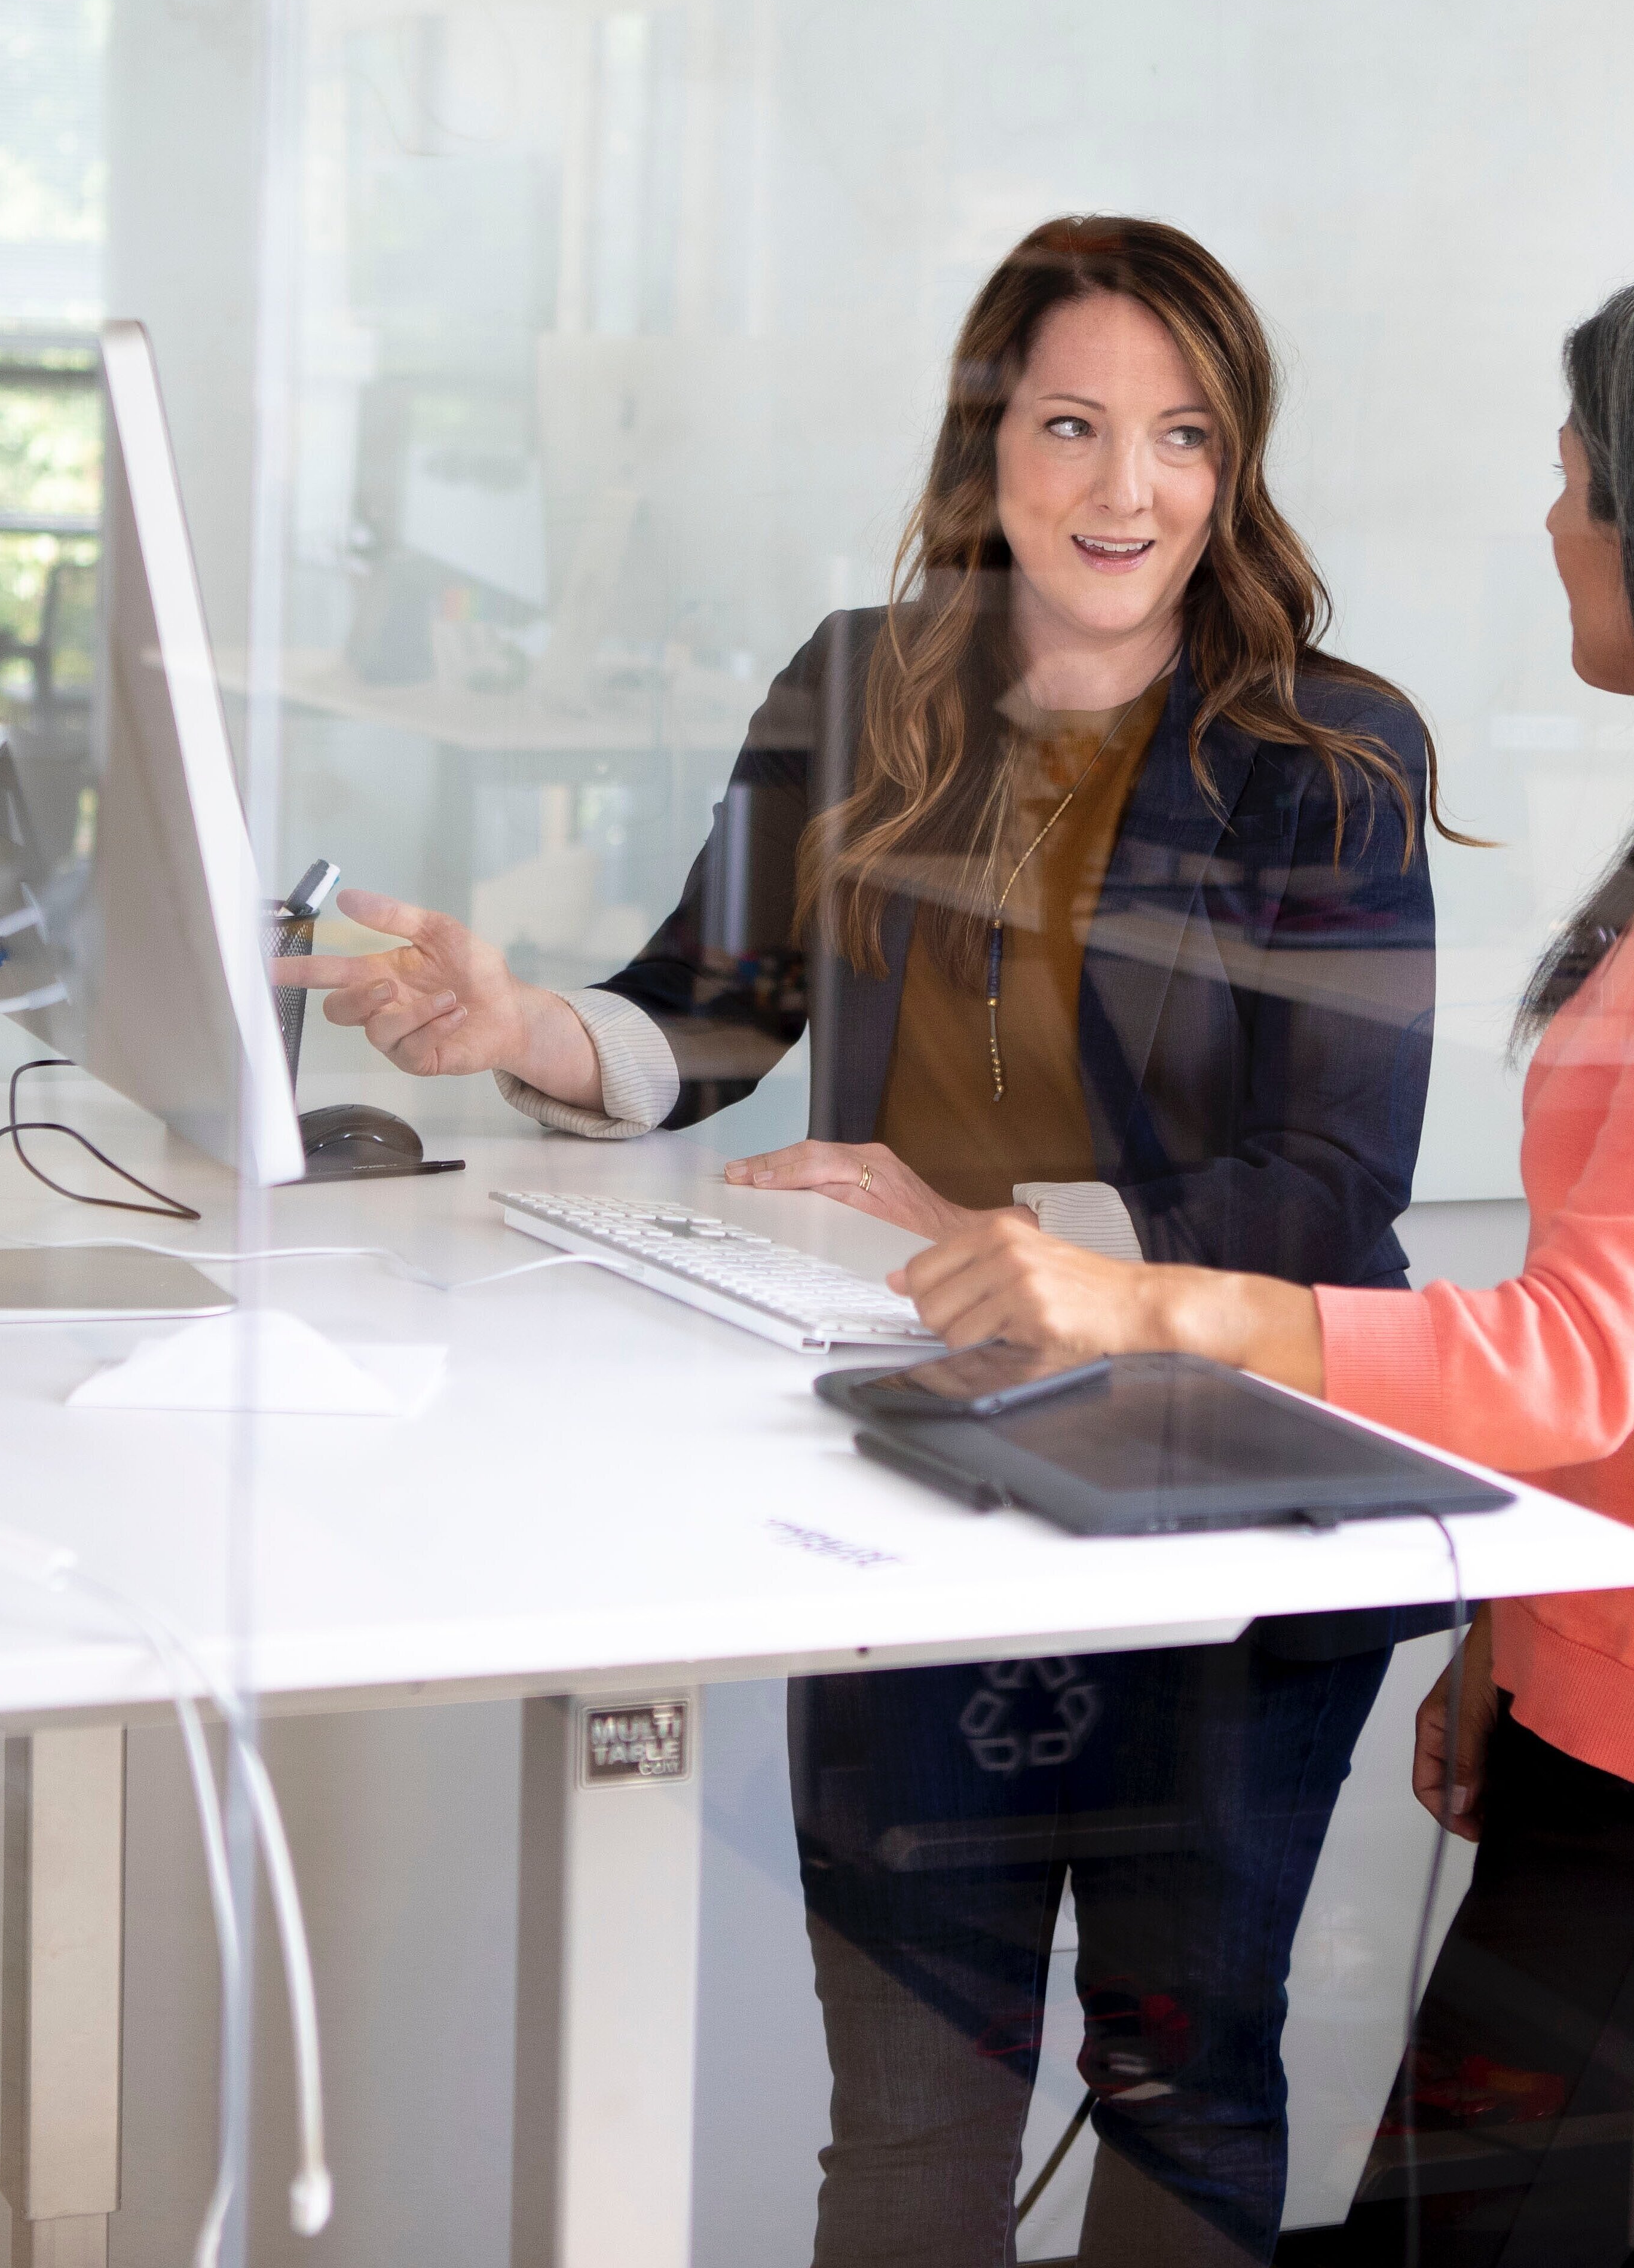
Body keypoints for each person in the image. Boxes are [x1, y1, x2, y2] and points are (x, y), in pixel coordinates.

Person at [886, 263, 1634, 2267]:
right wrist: (1513, 1640)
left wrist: (1133, 1295)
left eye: (1581, 485)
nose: (1554, 524)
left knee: (1467, 2236)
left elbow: (1580, 1355)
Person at [279, 215, 1464, 2266]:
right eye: (1075, 426)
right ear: (986, 444)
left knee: (1189, 2085)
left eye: (1182, 438)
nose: (1127, 489)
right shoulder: (856, 685)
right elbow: (710, 1014)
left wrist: (976, 1220)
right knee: (913, 2120)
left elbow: (1331, 1188)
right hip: (926, 1477)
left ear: (1235, 463)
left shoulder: (1329, 756)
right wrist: (519, 1026)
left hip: (1226, 1481)